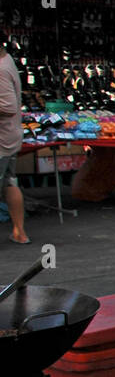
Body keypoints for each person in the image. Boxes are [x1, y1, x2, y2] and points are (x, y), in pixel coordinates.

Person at [0, 39, 28, 244]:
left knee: (8, 182)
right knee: (9, 182)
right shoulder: (7, 59)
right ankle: (19, 232)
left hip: (2, 138)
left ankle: (20, 231)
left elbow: (7, 107)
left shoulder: (0, 70)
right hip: (10, 135)